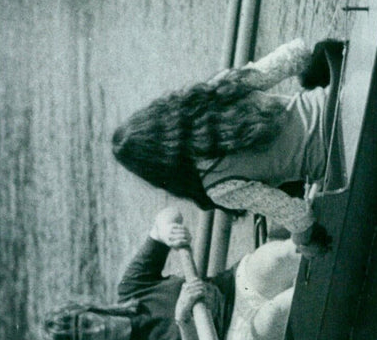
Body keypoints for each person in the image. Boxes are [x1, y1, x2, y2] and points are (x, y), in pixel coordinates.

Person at [111, 39, 345, 257]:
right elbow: (295, 54)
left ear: (160, 171)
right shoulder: (215, 91)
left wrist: (304, 242)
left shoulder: (216, 187)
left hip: (335, 155)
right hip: (331, 101)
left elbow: (298, 215)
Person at [41, 208, 299, 340]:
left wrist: (167, 231)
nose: (96, 330)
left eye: (86, 323)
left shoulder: (132, 288)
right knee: (273, 314)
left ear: (88, 310)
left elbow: (166, 217)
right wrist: (183, 318)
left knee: (281, 256)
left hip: (236, 285)